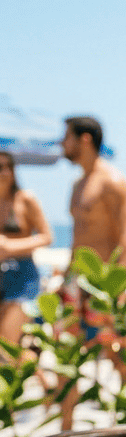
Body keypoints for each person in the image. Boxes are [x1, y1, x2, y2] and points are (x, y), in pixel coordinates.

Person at [59, 116, 126, 430]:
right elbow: (78, 238)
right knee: (67, 354)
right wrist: (64, 278)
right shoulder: (78, 184)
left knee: (118, 355)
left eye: (67, 137)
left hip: (105, 282)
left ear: (85, 140)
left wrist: (118, 284)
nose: (63, 144)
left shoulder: (112, 180)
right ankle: (65, 429)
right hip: (75, 281)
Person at [0, 151, 54, 358]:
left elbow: (47, 236)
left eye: (9, 167)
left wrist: (10, 247)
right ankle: (43, 381)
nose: (4, 172)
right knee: (9, 346)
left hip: (22, 276)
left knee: (7, 343)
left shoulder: (25, 199)